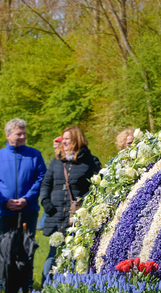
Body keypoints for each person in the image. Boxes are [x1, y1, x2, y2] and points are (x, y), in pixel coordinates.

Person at [39, 126, 102, 281]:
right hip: (56, 214)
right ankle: (46, 288)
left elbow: (98, 187)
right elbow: (46, 183)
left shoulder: (90, 161)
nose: (64, 142)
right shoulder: (57, 160)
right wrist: (46, 202)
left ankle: (72, 286)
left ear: (77, 140)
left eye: (68, 139)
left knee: (77, 254)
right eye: (64, 139)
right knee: (54, 252)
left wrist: (85, 203)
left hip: (77, 216)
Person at [0, 119, 47, 238]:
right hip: (3, 212)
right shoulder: (1, 156)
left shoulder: (35, 155)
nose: (23, 137)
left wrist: (26, 199)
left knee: (27, 247)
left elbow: (41, 179)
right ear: (8, 135)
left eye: (24, 133)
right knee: (4, 248)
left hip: (28, 211)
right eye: (19, 134)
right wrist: (4, 201)